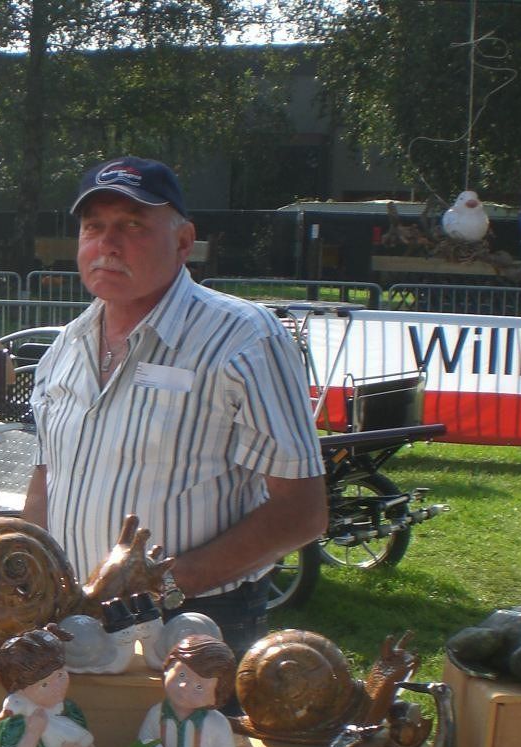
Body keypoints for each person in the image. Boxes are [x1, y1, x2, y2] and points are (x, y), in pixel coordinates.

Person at [22, 157, 326, 655]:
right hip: (72, 622)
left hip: (194, 623)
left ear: (184, 242)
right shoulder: (65, 347)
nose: (107, 244)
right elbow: (46, 479)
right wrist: (30, 583)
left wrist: (161, 585)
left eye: (132, 226)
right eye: (93, 226)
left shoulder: (242, 338)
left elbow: (302, 512)